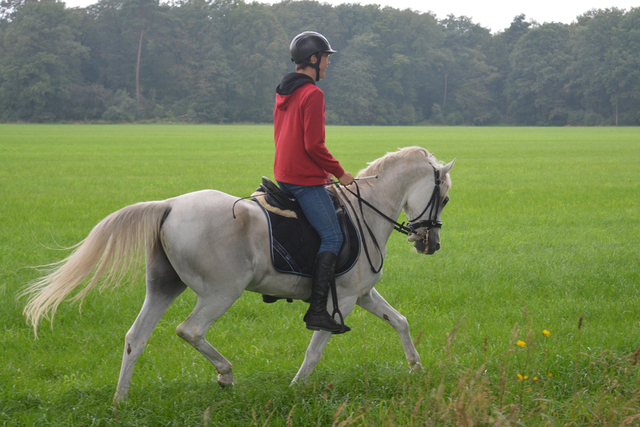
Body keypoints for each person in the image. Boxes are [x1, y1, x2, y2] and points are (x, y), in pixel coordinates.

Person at [273, 31, 354, 334]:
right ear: (313, 59)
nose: (328, 64)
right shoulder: (312, 94)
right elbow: (314, 145)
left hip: (283, 175)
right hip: (303, 180)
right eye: (326, 58)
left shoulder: (285, 90)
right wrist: (340, 173)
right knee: (333, 237)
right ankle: (317, 311)